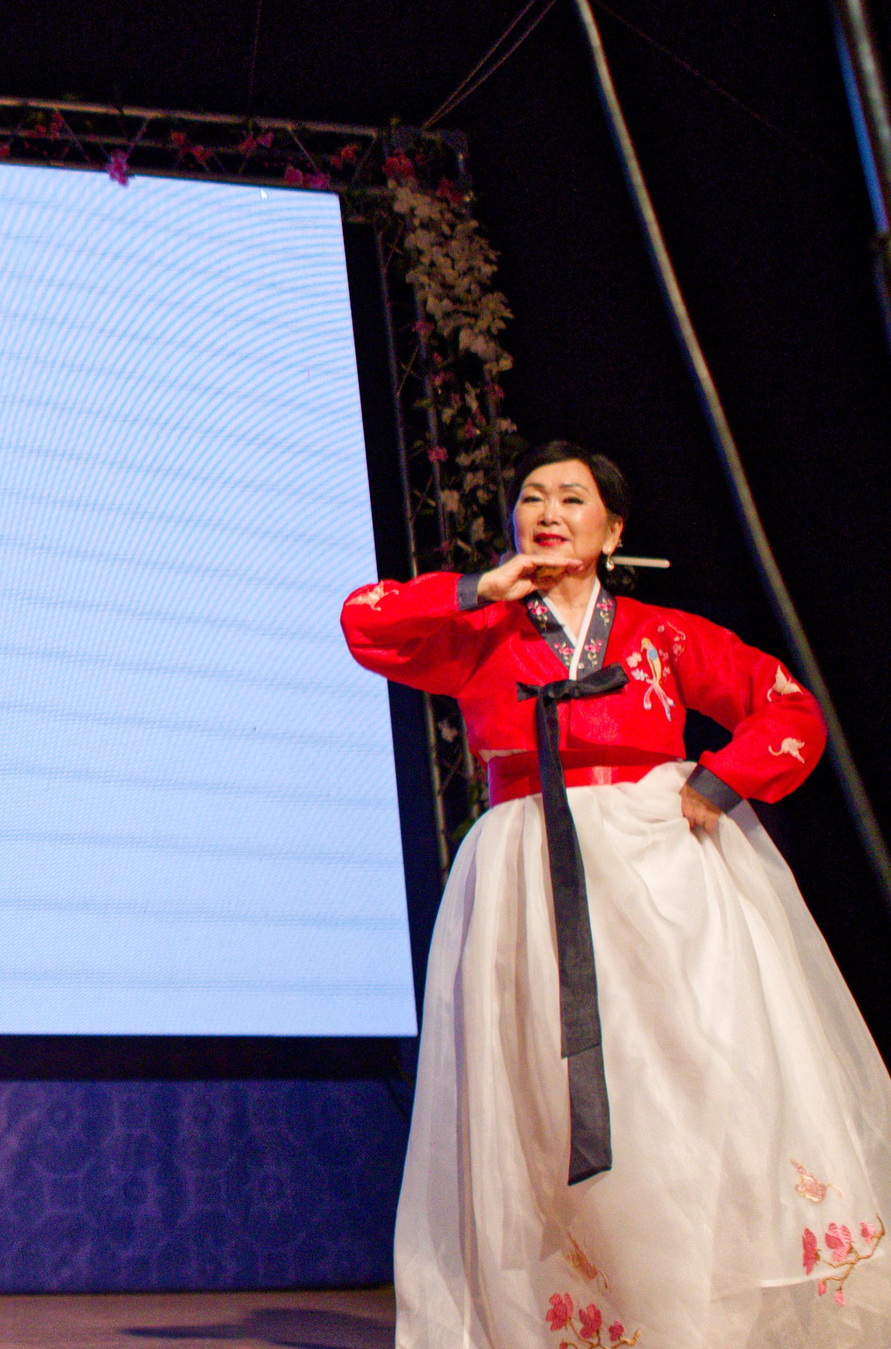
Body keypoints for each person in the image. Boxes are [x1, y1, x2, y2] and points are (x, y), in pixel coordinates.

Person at [343, 441, 891, 1347]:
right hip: (525, 864)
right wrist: (484, 585)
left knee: (678, 1078)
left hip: (656, 864)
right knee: (540, 1094)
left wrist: (717, 785)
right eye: (531, 497)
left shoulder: (662, 634)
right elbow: (368, 624)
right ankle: (583, 1314)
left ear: (613, 529)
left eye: (572, 497)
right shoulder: (484, 631)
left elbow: (786, 705)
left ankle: (702, 1308)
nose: (548, 511)